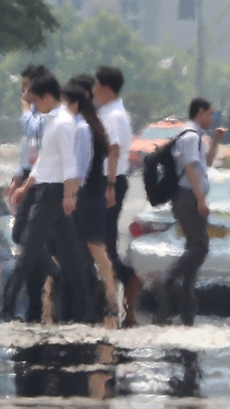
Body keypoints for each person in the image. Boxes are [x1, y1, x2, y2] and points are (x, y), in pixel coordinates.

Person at [2, 72, 89, 323]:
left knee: (28, 248)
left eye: (37, 101)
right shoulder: (52, 120)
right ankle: (85, 305)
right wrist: (25, 187)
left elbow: (69, 162)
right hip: (48, 189)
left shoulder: (63, 123)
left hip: (54, 193)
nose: (35, 107)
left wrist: (69, 194)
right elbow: (44, 161)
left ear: (48, 97)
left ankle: (7, 303)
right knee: (71, 253)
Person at [153, 97, 226, 326]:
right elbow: (190, 168)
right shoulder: (190, 136)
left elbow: (205, 164)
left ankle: (186, 310)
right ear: (201, 112)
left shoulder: (198, 138)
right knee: (201, 245)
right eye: (210, 114)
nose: (212, 118)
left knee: (193, 249)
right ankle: (166, 280)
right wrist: (200, 199)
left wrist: (215, 141)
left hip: (191, 197)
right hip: (188, 198)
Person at [2, 64, 59, 323]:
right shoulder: (40, 114)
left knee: (27, 237)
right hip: (30, 175)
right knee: (29, 239)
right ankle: (35, 303)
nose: (24, 93)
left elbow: (31, 131)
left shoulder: (46, 116)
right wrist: (17, 179)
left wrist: (25, 106)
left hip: (43, 179)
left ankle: (15, 298)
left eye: (27, 87)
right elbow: (27, 150)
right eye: (23, 88)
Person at [61, 83, 118, 329]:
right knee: (90, 248)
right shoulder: (87, 126)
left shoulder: (83, 129)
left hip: (88, 195)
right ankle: (101, 298)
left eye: (64, 103)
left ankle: (111, 298)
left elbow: (80, 167)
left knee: (96, 248)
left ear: (74, 104)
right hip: (89, 194)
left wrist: (72, 194)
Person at [92, 65, 142, 327]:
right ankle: (117, 294)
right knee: (104, 240)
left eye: (96, 85)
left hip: (110, 181)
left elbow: (113, 150)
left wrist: (109, 185)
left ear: (106, 88)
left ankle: (125, 281)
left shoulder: (113, 115)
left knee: (105, 241)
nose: (93, 91)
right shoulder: (110, 112)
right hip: (109, 180)